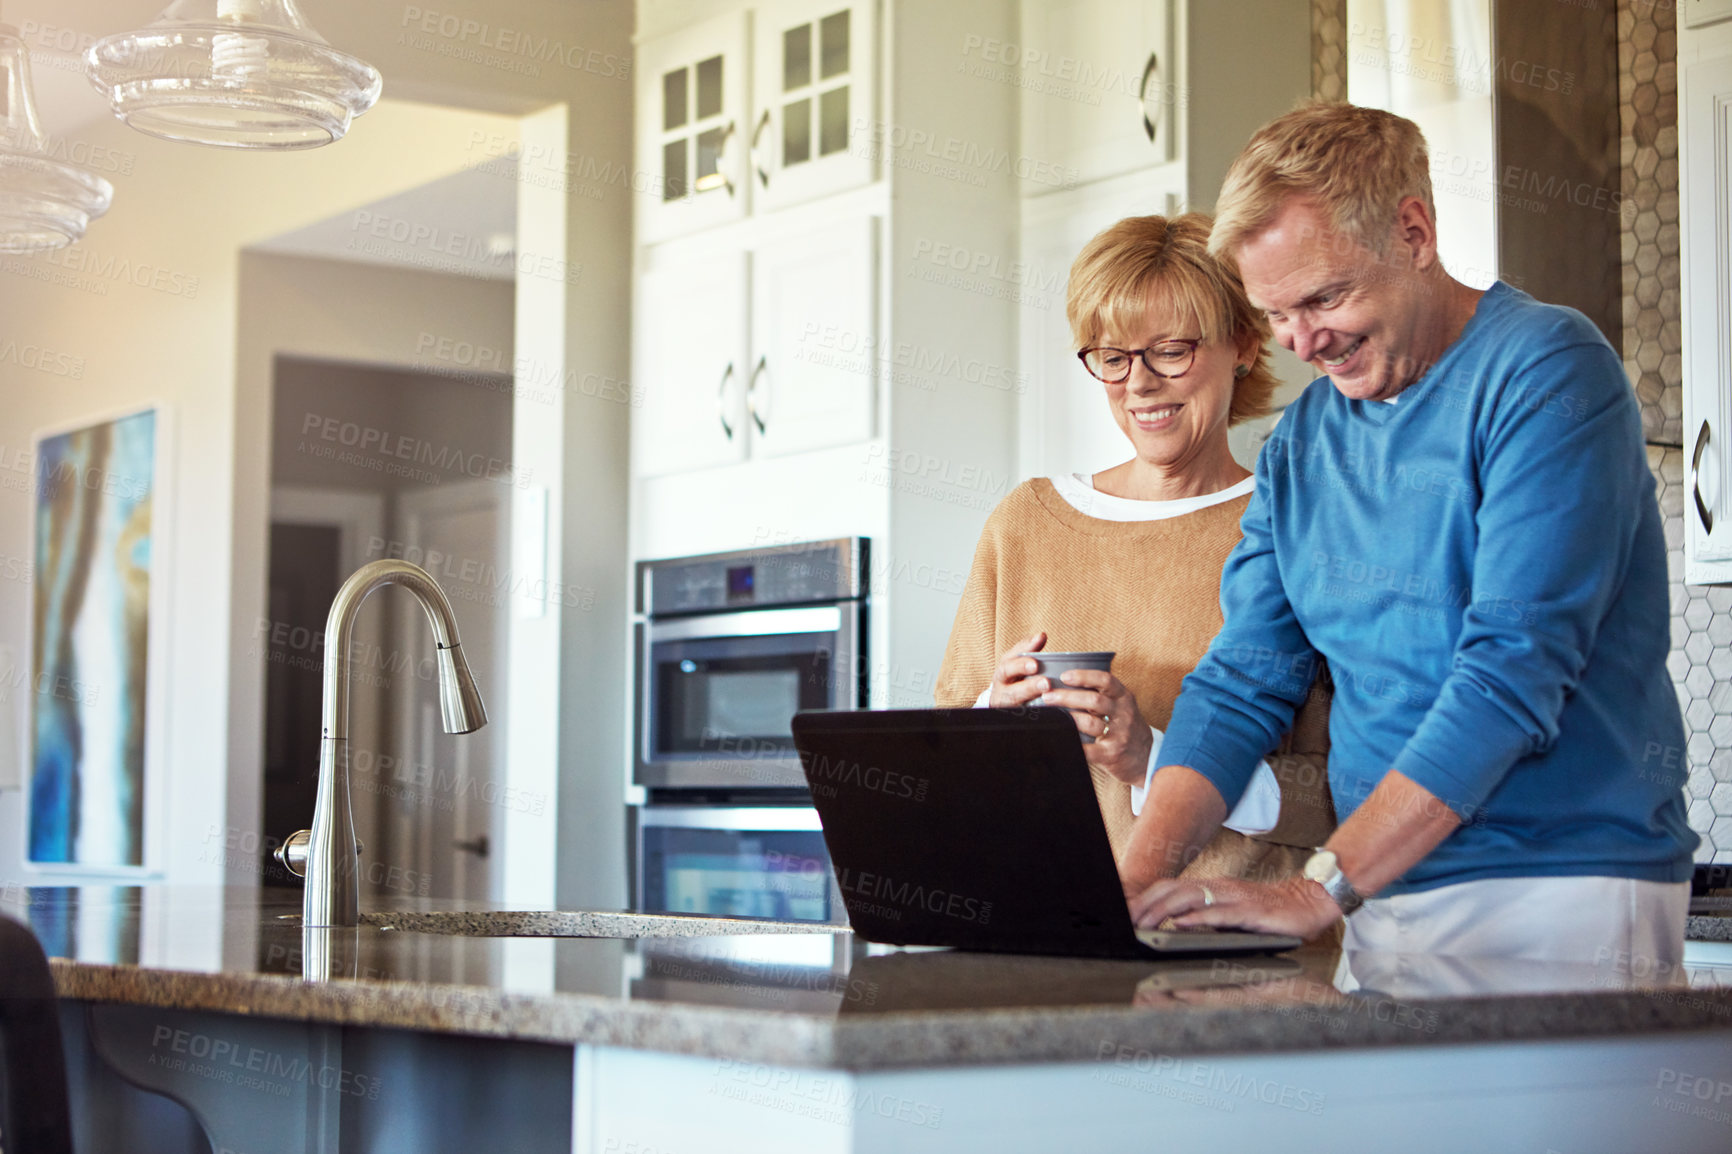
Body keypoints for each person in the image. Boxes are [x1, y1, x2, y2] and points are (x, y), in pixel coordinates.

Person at [1122, 103, 1698, 967]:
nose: (1302, 341)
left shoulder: (1546, 371)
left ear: (1415, 232)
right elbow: (1246, 678)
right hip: (1380, 893)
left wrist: (1319, 889)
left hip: (1557, 889)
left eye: (1325, 297)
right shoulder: (1305, 441)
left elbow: (1512, 669)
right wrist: (1130, 884)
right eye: (1276, 313)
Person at [935, 214, 1335, 884]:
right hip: (1045, 938)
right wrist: (989, 724)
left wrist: (1152, 757)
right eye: (1113, 358)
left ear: (1242, 341)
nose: (1139, 384)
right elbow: (939, 769)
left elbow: (1334, 797)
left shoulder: (1295, 529)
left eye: (1170, 350)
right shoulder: (1025, 523)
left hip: (1234, 953)